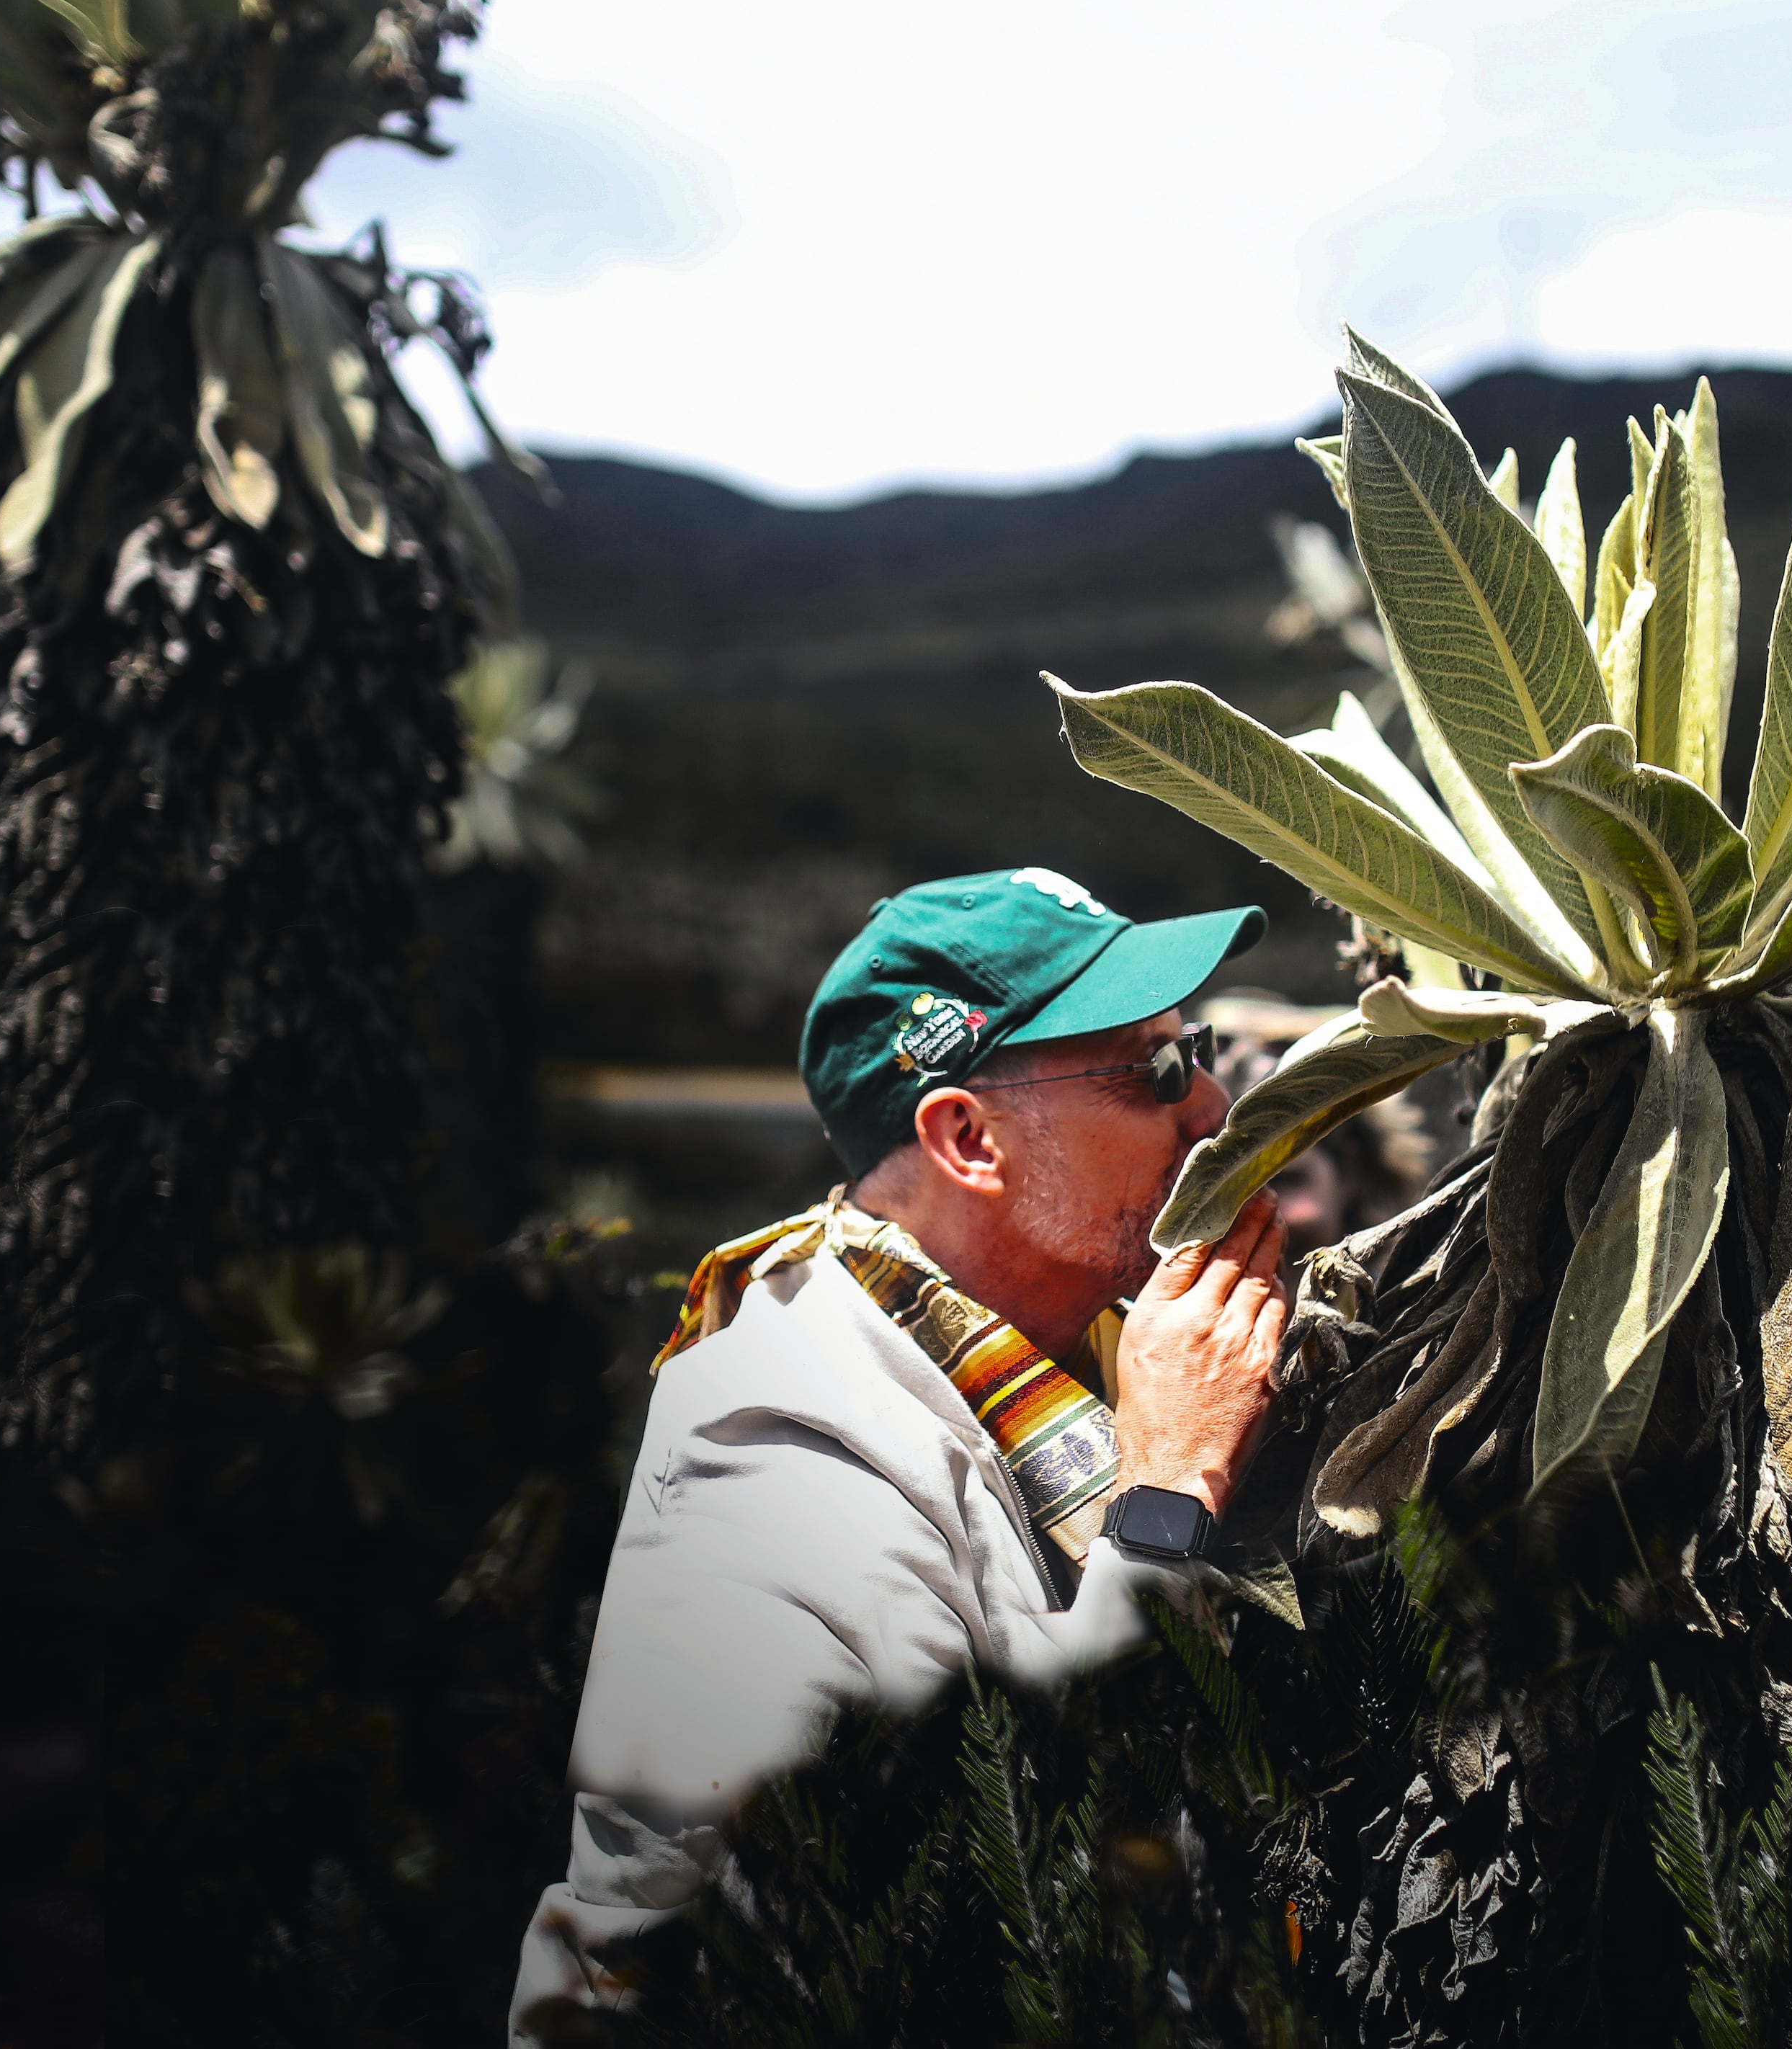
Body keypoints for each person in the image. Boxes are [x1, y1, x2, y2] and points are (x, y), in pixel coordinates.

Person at [510, 868, 1295, 2038]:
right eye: (1155, 1071)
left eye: (1200, 1051)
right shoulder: (782, 1460)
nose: (1214, 1108)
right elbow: (972, 1893)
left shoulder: (1095, 1348)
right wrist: (1171, 1494)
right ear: (968, 1138)